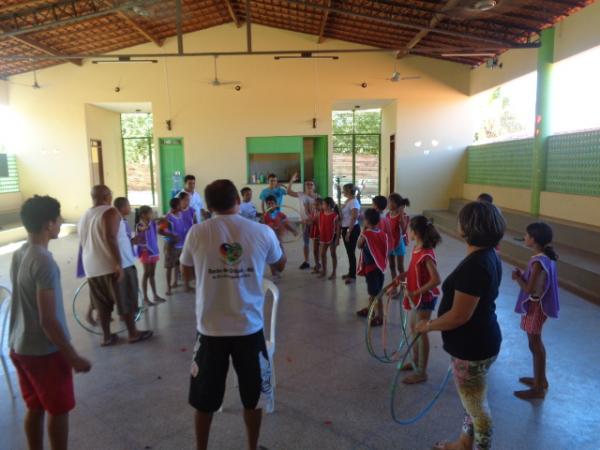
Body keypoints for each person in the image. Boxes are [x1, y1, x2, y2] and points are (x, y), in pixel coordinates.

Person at [180, 179, 286, 450]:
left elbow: (186, 271)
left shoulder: (197, 232)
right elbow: (280, 265)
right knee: (253, 397)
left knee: (204, 399)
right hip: (249, 329)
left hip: (210, 329)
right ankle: (252, 447)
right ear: (238, 200)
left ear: (209, 205)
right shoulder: (262, 231)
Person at [415, 201, 505, 450]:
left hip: (473, 347)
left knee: (477, 408)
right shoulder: (488, 255)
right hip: (482, 340)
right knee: (473, 400)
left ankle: (479, 446)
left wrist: (428, 325)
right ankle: (464, 443)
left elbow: (458, 316)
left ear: (468, 228)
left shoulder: (476, 266)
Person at [9, 195, 92, 450]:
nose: (61, 223)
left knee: (35, 406)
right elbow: (48, 320)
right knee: (58, 410)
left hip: (19, 346)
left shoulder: (20, 253)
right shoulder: (44, 262)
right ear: (48, 224)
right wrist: (72, 356)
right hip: (44, 352)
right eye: (58, 219)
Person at [78, 185, 152, 346]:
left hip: (93, 268)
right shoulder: (110, 212)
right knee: (125, 299)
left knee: (102, 305)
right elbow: (110, 237)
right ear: (107, 196)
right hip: (115, 266)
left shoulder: (85, 215)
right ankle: (133, 333)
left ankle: (107, 336)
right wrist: (117, 263)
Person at [388, 215, 441, 384]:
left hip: (425, 299)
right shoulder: (417, 247)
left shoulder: (425, 253)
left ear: (415, 232)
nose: (407, 231)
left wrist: (416, 291)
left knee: (421, 332)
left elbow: (436, 280)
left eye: (409, 229)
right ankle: (416, 362)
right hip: (418, 298)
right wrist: (403, 276)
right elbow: (414, 269)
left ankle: (422, 372)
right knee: (414, 327)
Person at [512, 222, 559, 400]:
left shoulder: (539, 261)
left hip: (536, 306)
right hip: (537, 305)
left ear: (534, 239)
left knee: (535, 344)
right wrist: (523, 275)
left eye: (527, 235)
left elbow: (530, 289)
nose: (525, 237)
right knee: (535, 343)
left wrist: (517, 278)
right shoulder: (543, 258)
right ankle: (541, 379)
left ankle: (538, 388)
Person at [355, 208, 389, 327]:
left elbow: (359, 245)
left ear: (367, 222)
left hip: (371, 268)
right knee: (374, 291)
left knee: (376, 294)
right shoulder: (381, 233)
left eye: (363, 219)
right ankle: (371, 309)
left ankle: (379, 316)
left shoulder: (367, 234)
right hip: (379, 267)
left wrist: (362, 232)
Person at [287, 172, 320, 270]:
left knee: (316, 243)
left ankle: (318, 262)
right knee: (305, 243)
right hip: (305, 223)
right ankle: (306, 262)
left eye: (311, 184)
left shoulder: (318, 197)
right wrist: (292, 180)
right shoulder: (301, 195)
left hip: (314, 224)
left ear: (314, 186)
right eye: (307, 184)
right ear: (305, 186)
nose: (309, 185)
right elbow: (288, 191)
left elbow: (320, 212)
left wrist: (312, 220)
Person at [135, 205, 165, 305]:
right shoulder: (139, 225)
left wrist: (162, 219)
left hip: (153, 251)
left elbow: (160, 222)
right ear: (143, 215)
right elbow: (143, 228)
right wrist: (147, 225)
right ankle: (145, 298)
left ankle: (155, 295)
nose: (152, 214)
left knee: (152, 274)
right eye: (150, 213)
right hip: (145, 252)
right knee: (146, 274)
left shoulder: (152, 223)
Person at [262, 195, 297, 279]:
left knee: (283, 259)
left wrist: (293, 231)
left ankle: (278, 270)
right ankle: (274, 274)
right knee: (271, 258)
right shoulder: (264, 216)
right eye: (268, 203)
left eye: (272, 203)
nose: (270, 205)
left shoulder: (281, 215)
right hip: (269, 241)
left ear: (276, 204)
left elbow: (286, 224)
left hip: (279, 240)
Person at [159, 197, 186, 296]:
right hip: (171, 246)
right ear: (176, 206)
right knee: (169, 267)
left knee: (177, 265)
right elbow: (160, 231)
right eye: (180, 204)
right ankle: (168, 287)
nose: (182, 205)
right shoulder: (168, 217)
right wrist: (172, 235)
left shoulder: (181, 214)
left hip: (181, 245)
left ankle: (175, 282)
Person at [387, 193, 411, 288]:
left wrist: (401, 213)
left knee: (400, 267)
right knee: (392, 266)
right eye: (388, 202)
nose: (388, 204)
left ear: (397, 204)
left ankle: (403, 287)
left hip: (398, 244)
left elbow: (404, 230)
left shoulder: (402, 216)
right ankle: (394, 286)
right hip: (390, 244)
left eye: (390, 202)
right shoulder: (388, 215)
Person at [340, 183, 361, 284]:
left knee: (351, 252)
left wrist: (349, 232)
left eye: (344, 190)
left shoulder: (353, 202)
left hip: (351, 229)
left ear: (348, 191)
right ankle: (350, 273)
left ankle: (352, 276)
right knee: (349, 252)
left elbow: (354, 217)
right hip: (346, 228)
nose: (343, 192)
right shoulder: (349, 200)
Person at [318, 197, 341, 280]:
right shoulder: (321, 213)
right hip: (324, 236)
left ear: (328, 205)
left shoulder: (335, 215)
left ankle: (334, 272)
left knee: (333, 254)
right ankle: (324, 271)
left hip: (333, 237)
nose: (322, 206)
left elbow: (338, 228)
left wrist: (337, 239)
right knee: (322, 254)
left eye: (323, 204)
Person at [309, 198, 323, 274]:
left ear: (322, 205)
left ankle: (322, 266)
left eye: (317, 204)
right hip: (315, 231)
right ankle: (317, 264)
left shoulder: (323, 212)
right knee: (315, 250)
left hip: (321, 233)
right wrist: (309, 222)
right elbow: (311, 221)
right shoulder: (313, 211)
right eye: (314, 204)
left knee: (322, 251)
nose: (315, 206)